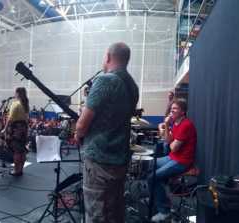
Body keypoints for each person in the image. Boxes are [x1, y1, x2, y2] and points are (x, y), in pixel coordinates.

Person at [74, 42, 139, 223]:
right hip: (120, 159)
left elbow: (81, 125)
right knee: (114, 211)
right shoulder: (133, 86)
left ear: (108, 57)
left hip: (99, 162)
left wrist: (78, 134)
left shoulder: (105, 80)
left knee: (97, 214)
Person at [150, 100, 196, 222]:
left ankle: (164, 211)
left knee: (152, 178)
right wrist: (166, 126)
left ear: (183, 111)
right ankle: (160, 198)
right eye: (171, 108)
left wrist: (167, 133)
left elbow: (172, 147)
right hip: (172, 157)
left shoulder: (186, 125)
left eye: (175, 108)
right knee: (149, 165)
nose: (171, 110)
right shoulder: (176, 123)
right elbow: (168, 140)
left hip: (182, 162)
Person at [3, 87, 30, 176]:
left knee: (17, 151)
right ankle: (20, 169)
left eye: (15, 93)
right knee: (22, 150)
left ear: (18, 93)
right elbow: (26, 119)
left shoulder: (15, 104)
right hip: (23, 128)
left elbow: (10, 119)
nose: (14, 94)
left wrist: (5, 129)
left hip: (16, 129)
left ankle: (16, 170)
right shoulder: (25, 104)